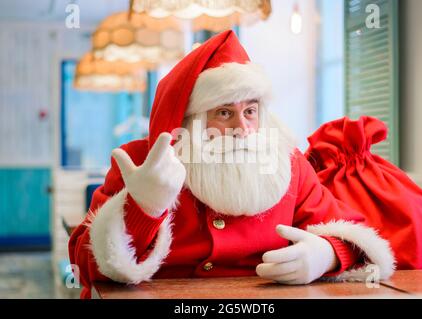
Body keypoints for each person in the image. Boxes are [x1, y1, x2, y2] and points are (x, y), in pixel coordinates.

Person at [69, 30, 395, 299]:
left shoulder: (288, 164)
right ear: (192, 120)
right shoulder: (140, 161)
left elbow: (354, 236)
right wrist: (142, 210)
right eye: (224, 113)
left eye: (250, 111)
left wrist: (326, 255)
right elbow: (85, 264)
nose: (243, 127)